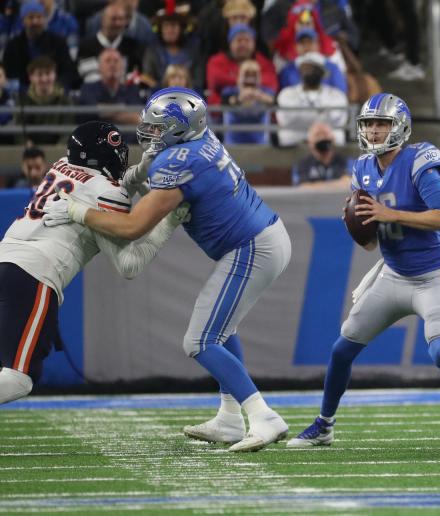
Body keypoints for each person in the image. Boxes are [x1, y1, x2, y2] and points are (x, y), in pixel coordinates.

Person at [42, 88, 291, 453]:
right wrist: (138, 172)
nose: (149, 133)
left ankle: (263, 414)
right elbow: (157, 166)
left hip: (253, 247)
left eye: (158, 128)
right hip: (262, 237)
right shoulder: (198, 139)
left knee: (200, 341)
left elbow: (133, 228)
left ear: (178, 130)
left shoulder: (180, 162)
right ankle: (230, 417)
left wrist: (78, 211)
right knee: (222, 329)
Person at [286, 93, 440, 448]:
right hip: (393, 275)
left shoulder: (418, 161)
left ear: (399, 127)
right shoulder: (362, 168)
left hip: (431, 275)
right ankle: (324, 425)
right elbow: (370, 244)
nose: (372, 131)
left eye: (381, 123)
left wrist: (391, 214)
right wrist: (357, 225)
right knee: (342, 348)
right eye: (368, 124)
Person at [0, 121, 185, 404]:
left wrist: (143, 168)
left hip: (7, 260)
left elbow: (107, 186)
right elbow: (129, 265)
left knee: (16, 370)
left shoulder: (60, 165)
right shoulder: (108, 194)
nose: (122, 156)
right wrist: (171, 220)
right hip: (32, 275)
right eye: (117, 151)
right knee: (18, 379)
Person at [276, 52, 349, 146]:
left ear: (322, 72)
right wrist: (320, 113)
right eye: (305, 69)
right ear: (300, 72)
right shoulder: (286, 94)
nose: (308, 72)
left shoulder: (336, 95)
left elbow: (336, 118)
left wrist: (301, 114)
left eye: (313, 69)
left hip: (329, 146)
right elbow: (286, 120)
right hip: (294, 147)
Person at [2, 0, 77, 91]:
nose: (35, 21)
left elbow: (68, 71)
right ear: (23, 21)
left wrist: (56, 88)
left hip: (54, 92)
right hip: (23, 94)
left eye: (39, 17)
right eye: (31, 17)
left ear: (44, 19)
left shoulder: (58, 42)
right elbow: (10, 75)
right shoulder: (13, 46)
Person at [205, 24, 278, 107]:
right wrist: (246, 81)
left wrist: (250, 91)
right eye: (239, 40)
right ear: (230, 43)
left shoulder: (264, 62)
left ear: (254, 43)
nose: (243, 44)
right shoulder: (216, 61)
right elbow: (216, 80)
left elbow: (271, 83)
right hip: (223, 111)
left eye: (247, 40)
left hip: (258, 107)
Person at [75, 48, 146, 126]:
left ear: (122, 66)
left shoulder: (132, 90)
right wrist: (123, 108)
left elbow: (137, 118)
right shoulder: (87, 89)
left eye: (116, 61)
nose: (112, 65)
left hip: (125, 137)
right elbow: (93, 111)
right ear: (99, 67)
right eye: (107, 61)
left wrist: (104, 113)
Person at [76, 2, 143, 84]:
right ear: (103, 20)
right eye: (113, 19)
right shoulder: (86, 46)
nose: (118, 23)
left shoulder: (133, 46)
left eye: (121, 19)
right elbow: (81, 76)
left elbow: (138, 76)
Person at [13, 56, 74, 146]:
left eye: (48, 73)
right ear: (31, 77)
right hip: (30, 152)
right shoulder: (22, 100)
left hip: (58, 151)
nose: (44, 79)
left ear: (54, 75)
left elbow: (68, 130)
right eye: (40, 74)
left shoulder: (65, 100)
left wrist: (58, 148)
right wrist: (26, 145)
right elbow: (19, 131)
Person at [221, 59, 275, 145]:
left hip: (260, 147)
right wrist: (240, 98)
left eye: (254, 74)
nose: (250, 78)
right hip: (233, 147)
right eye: (246, 74)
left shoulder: (267, 92)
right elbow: (226, 101)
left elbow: (273, 101)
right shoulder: (229, 91)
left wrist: (259, 96)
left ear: (259, 77)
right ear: (239, 76)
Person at [291, 122, 352, 188]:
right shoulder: (302, 165)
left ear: (333, 138)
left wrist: (314, 186)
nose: (322, 138)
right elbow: (301, 188)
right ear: (310, 142)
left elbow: (350, 184)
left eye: (325, 134)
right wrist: (337, 184)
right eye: (318, 135)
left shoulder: (346, 161)